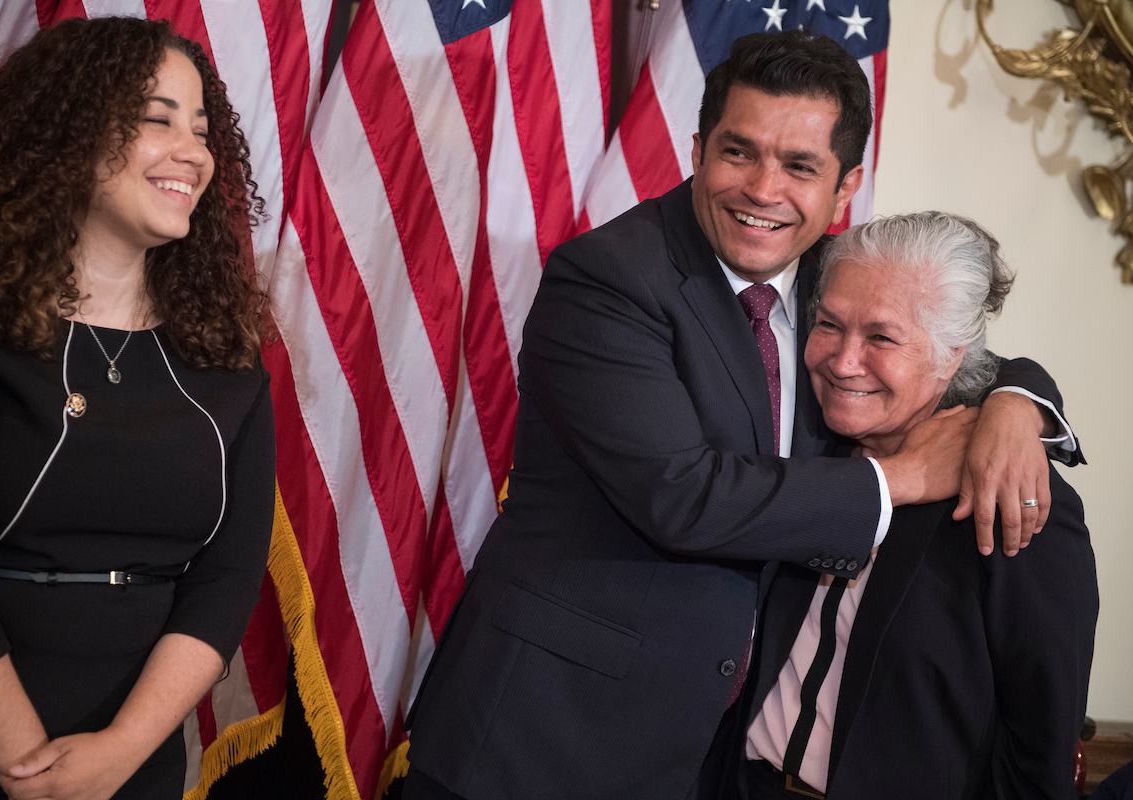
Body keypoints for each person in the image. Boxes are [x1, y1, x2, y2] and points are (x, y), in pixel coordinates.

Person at [403, 31, 1078, 800]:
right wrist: (899, 480)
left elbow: (942, 350)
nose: (763, 189)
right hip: (544, 744)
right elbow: (683, 497)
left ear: (845, 185)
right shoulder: (607, 281)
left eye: (799, 166)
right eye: (738, 151)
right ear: (696, 149)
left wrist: (1018, 402)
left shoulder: (835, 282)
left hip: (712, 759)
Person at [0, 17, 275, 800]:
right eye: (157, 119)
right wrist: (37, 775)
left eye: (201, 127)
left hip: (137, 763)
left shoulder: (227, 354)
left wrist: (120, 754)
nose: (193, 151)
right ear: (65, 133)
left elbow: (227, 579)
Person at [733, 212, 1099, 800]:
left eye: (881, 337)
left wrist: (1014, 404)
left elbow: (1040, 741)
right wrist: (1020, 398)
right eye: (828, 324)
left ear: (951, 355)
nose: (843, 361)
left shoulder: (1013, 496)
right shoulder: (803, 440)